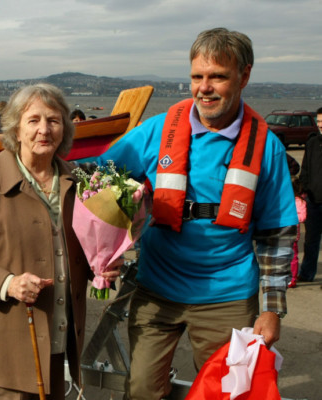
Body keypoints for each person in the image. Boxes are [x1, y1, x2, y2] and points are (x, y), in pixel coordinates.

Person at [93, 28, 298, 399]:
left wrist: (272, 311)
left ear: (244, 77)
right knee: (140, 389)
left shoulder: (267, 148)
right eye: (197, 77)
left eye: (217, 76)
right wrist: (106, 252)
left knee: (225, 393)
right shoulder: (155, 131)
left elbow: (276, 236)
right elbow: (97, 180)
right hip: (157, 289)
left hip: (229, 297)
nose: (204, 87)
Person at [0, 83, 121, 399]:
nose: (44, 129)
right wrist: (7, 283)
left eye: (53, 120)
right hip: (13, 343)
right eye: (33, 120)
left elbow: (84, 251)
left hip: (60, 338)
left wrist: (104, 266)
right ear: (16, 127)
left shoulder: (79, 180)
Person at [298, 106, 322, 282]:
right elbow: (305, 168)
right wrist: (303, 190)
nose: (320, 125)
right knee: (311, 241)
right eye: (319, 122)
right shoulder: (312, 142)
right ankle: (307, 274)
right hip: (313, 200)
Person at [289, 176, 306, 288]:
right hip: (283, 231)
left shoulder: (299, 202)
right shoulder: (284, 199)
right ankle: (286, 276)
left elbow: (302, 217)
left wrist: (291, 217)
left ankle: (292, 278)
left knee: (293, 256)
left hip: (293, 232)